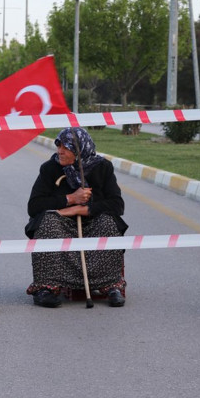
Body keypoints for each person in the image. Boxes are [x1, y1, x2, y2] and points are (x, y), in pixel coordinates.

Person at [25, 127, 129, 308]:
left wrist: (83, 209)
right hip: (62, 224)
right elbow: (34, 206)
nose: (60, 151)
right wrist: (70, 199)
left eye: (66, 147)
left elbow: (117, 205)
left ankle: (110, 286)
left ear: (80, 149)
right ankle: (47, 288)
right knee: (48, 223)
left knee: (107, 223)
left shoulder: (102, 167)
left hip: (92, 222)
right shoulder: (50, 169)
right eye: (58, 146)